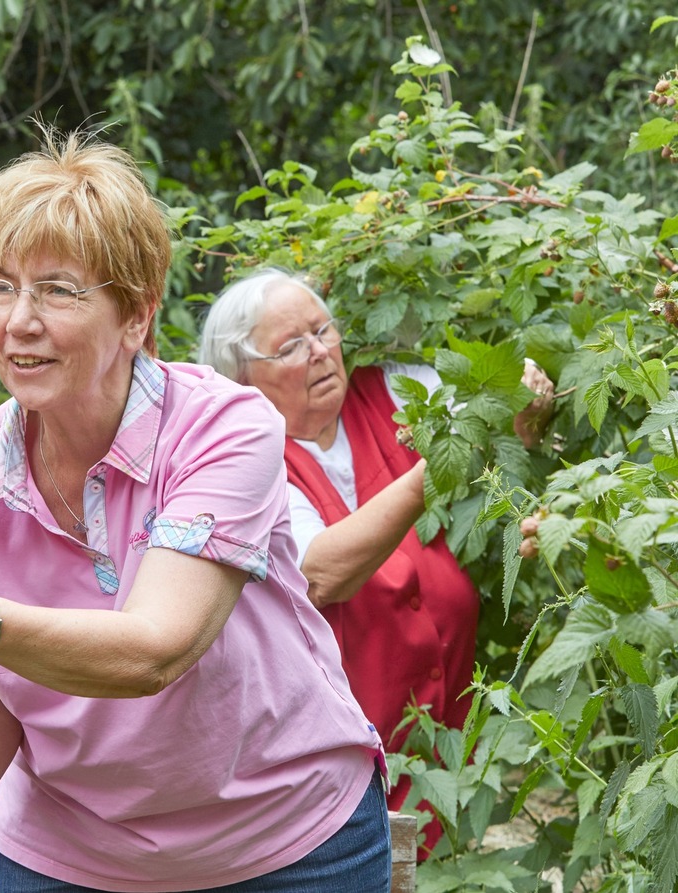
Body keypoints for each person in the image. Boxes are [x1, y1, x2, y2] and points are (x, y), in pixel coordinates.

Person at [0, 131, 392, 893]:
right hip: (71, 863)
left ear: (136, 314)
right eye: (1, 287)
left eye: (59, 289)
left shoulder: (225, 428)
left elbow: (156, 650)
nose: (18, 320)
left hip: (292, 845)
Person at [196, 267, 554, 852]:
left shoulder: (391, 391)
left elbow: (493, 411)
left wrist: (524, 399)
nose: (318, 352)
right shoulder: (246, 460)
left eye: (323, 331)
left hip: (448, 753)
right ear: (243, 377)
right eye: (290, 346)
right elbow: (320, 572)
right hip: (335, 783)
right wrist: (434, 465)